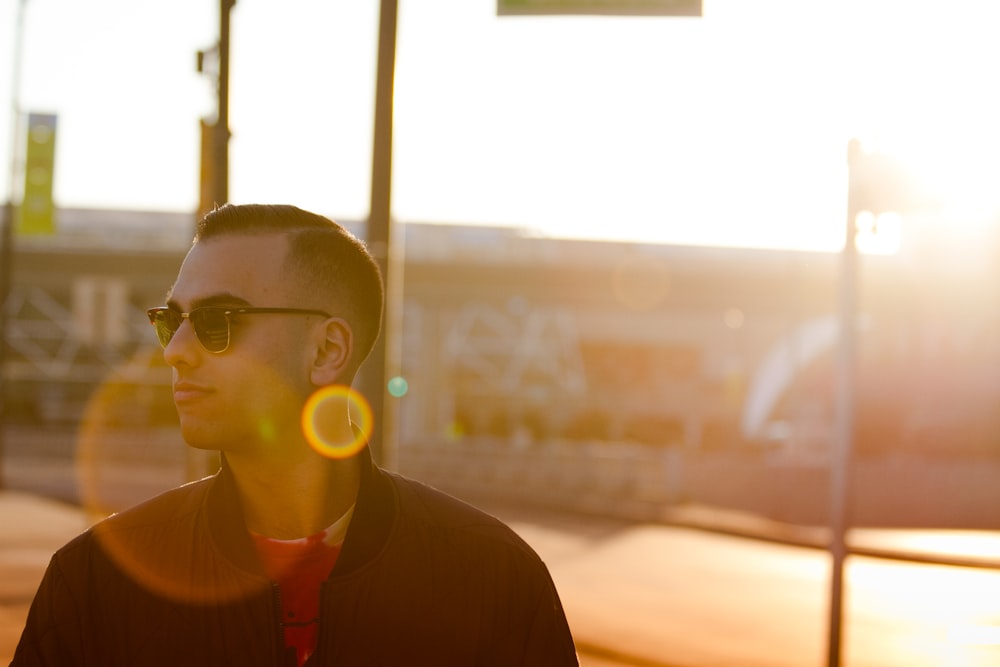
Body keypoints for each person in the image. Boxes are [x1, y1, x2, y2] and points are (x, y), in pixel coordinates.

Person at [12, 204, 579, 666]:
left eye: (217, 323)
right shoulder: (96, 583)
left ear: (327, 350)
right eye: (170, 320)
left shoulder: (493, 580)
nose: (175, 351)